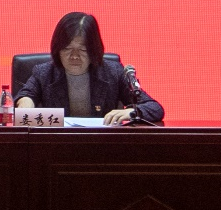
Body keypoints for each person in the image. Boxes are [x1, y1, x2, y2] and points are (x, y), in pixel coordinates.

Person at [15, 12, 164, 125]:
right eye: (67, 49)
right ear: (57, 49)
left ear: (94, 50)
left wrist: (131, 113)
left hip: (101, 146)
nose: (74, 56)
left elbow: (155, 108)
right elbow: (25, 96)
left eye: (82, 50)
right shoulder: (44, 73)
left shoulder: (113, 72)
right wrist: (25, 102)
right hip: (57, 146)